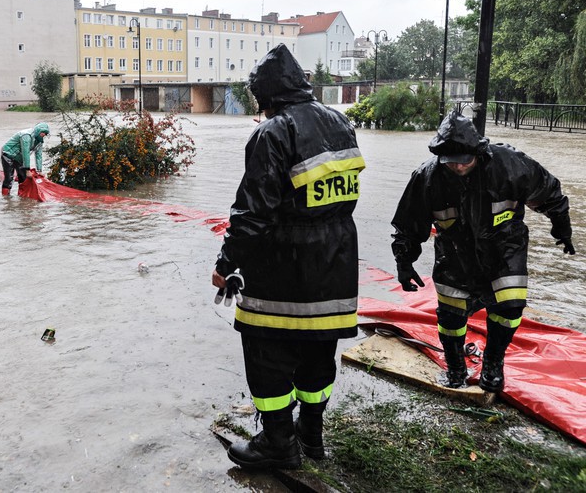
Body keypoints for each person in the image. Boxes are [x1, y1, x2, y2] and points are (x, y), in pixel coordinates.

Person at [211, 44, 365, 470]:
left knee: (268, 357)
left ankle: (278, 443)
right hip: (337, 262)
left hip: (282, 267)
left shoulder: (272, 133)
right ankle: (311, 437)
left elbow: (253, 212)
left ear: (266, 95)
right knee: (319, 354)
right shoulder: (341, 123)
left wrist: (226, 264)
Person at [391, 110, 575, 392]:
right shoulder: (427, 177)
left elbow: (549, 192)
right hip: (454, 255)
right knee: (451, 317)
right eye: (451, 162)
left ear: (478, 152)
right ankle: (455, 367)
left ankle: (493, 363)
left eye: (465, 161)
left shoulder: (510, 165)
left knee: (510, 309)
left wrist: (561, 227)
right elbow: (407, 225)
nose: (458, 167)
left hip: (505, 251)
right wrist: (404, 262)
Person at [0, 122, 50, 195]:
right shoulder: (26, 136)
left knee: (23, 178)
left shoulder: (39, 141)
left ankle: (22, 197)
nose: (44, 135)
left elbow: (38, 155)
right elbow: (25, 152)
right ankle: (6, 198)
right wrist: (27, 169)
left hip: (19, 157)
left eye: (45, 134)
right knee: (9, 178)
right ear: (38, 131)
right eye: (43, 133)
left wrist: (39, 171)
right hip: (8, 155)